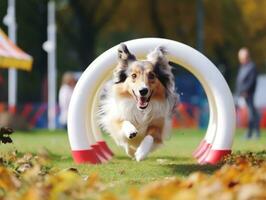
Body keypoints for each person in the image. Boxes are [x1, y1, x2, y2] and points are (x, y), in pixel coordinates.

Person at [236, 47, 260, 139]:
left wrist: (246, 91)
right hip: (241, 94)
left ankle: (253, 133)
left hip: (248, 94)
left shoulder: (251, 67)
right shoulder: (243, 67)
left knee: (252, 114)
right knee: (252, 113)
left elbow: (251, 81)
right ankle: (251, 133)